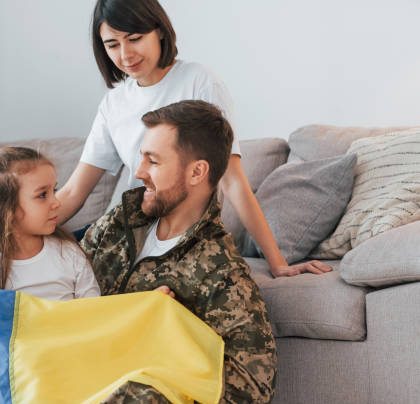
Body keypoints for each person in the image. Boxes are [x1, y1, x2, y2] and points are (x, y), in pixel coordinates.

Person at [56, 0, 332, 278]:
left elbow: (232, 179)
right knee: (45, 258)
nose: (125, 54)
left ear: (160, 31)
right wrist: (20, 230)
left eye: (135, 39)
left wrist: (278, 263)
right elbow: (73, 192)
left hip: (178, 232)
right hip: (127, 229)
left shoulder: (199, 82)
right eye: (112, 45)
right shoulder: (114, 103)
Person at [82, 100, 277, 404]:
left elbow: (253, 386)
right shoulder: (119, 221)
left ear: (197, 172)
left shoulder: (220, 272)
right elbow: (64, 288)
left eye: (154, 161)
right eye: (141, 157)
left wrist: (161, 344)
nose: (139, 171)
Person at [0, 146, 100, 300]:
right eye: (43, 195)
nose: (56, 202)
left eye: (54, 190)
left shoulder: (69, 254)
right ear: (5, 208)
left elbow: (92, 311)